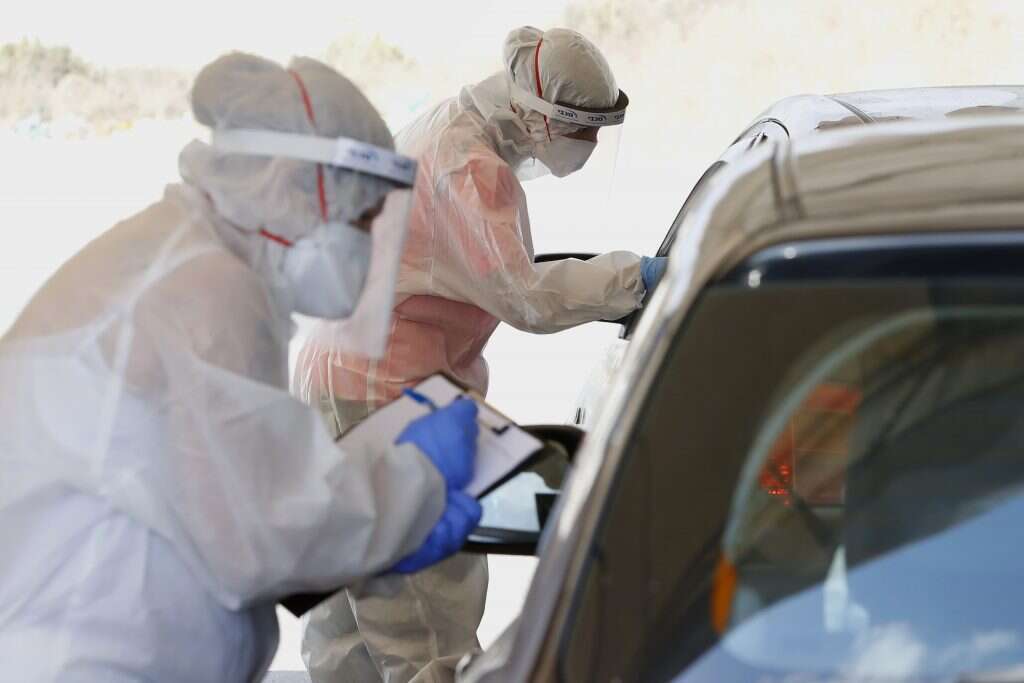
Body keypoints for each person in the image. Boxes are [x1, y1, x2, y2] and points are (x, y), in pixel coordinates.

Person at [0, 53, 483, 682]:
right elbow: (268, 529)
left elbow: (229, 490)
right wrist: (417, 482)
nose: (367, 245)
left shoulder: (182, 256)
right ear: (290, 189)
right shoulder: (203, 290)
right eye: (360, 218)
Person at [294, 26, 668, 683]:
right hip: (391, 403)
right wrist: (635, 279)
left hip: (334, 383)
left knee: (345, 629)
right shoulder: (469, 167)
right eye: (586, 131)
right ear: (538, 115)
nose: (591, 146)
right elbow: (525, 296)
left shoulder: (450, 125)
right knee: (425, 626)